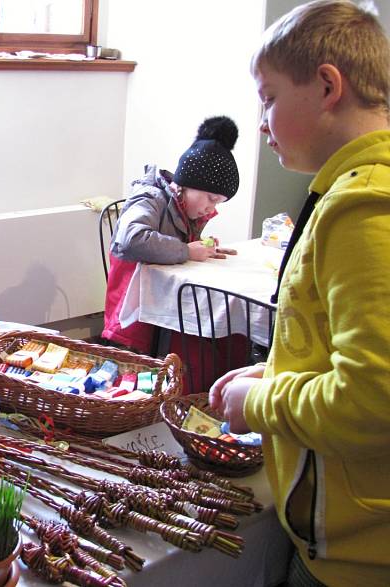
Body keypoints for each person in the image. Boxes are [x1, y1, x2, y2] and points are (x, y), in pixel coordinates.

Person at [210, 2, 390, 585]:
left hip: (357, 556)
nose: (261, 122)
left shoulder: (364, 209)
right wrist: (277, 372)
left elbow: (372, 401)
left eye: (268, 97)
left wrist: (258, 405)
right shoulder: (351, 191)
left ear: (328, 86)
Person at [101, 116, 243, 390]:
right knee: (205, 341)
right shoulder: (151, 197)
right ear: (187, 183)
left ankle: (205, 393)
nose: (211, 208)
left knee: (224, 334)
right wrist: (185, 251)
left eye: (219, 203)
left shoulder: (185, 208)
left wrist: (204, 250)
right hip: (133, 314)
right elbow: (129, 239)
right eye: (211, 198)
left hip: (159, 306)